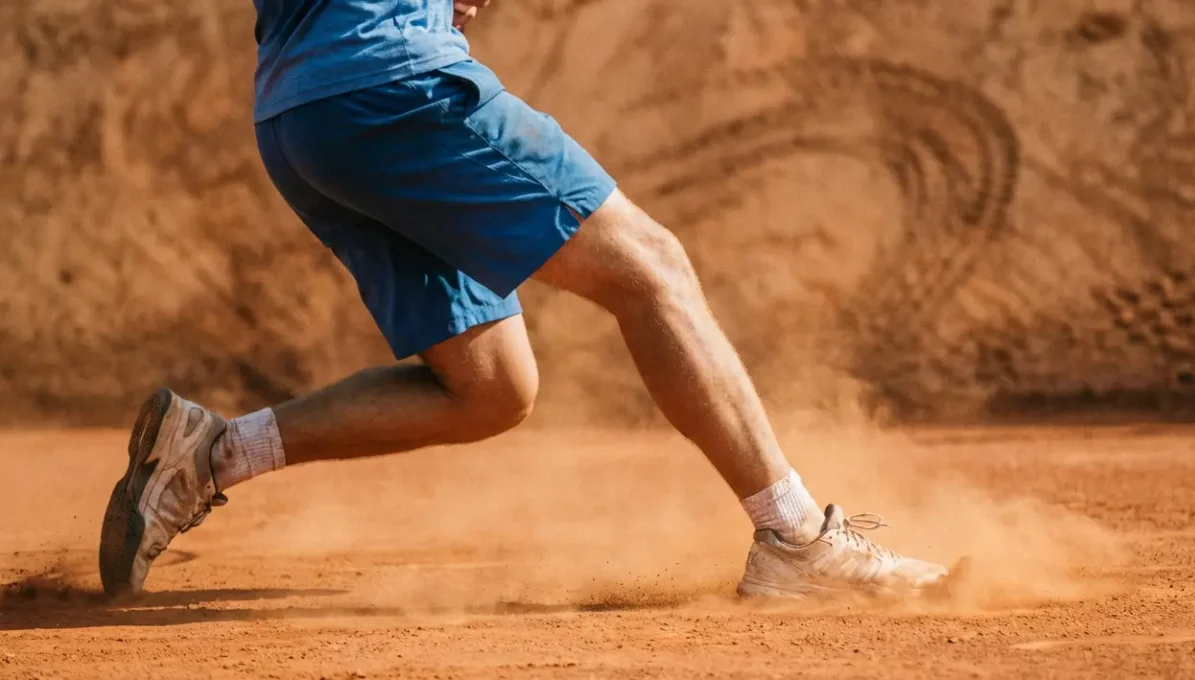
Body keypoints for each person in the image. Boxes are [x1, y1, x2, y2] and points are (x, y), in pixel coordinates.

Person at [98, 0, 948, 599]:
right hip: (390, 85)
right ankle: (796, 538)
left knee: (491, 388)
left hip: (299, 119)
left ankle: (211, 454)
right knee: (652, 269)